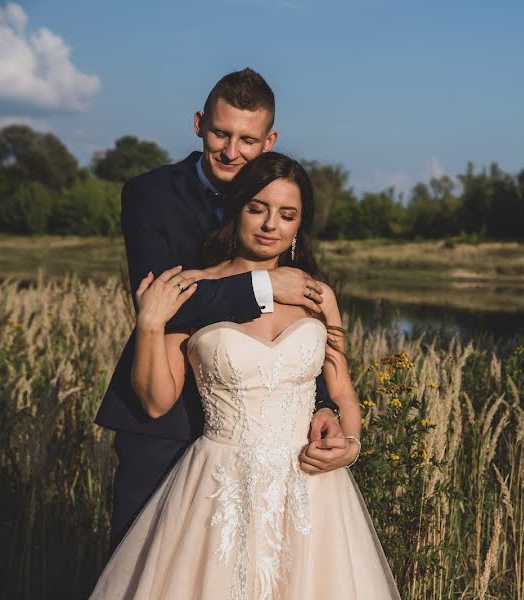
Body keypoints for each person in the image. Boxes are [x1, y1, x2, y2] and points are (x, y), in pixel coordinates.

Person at [90, 152, 400, 599]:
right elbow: (156, 400)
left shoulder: (317, 296)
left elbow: (342, 392)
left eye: (287, 214)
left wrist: (348, 446)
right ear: (236, 210)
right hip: (218, 487)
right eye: (258, 208)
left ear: (298, 226)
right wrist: (150, 325)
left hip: (310, 491)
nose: (270, 224)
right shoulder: (194, 289)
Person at [95, 68, 352, 551]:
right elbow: (163, 305)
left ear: (269, 139)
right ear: (199, 124)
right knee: (144, 564)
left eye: (248, 139)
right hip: (164, 422)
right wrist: (264, 283)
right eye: (220, 133)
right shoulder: (149, 194)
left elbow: (298, 334)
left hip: (269, 438)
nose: (232, 151)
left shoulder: (276, 198)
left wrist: (324, 404)